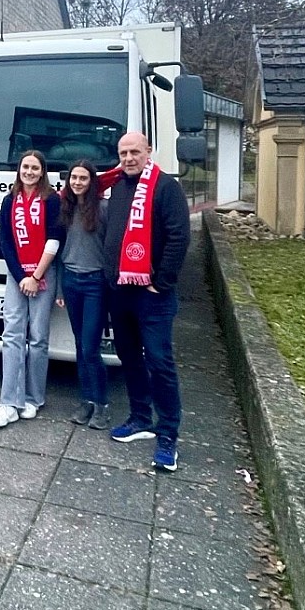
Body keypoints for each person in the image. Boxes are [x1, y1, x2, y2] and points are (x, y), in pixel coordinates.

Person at [104, 131, 191, 472]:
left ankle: (168, 434)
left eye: (134, 152)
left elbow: (179, 235)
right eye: (123, 152)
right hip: (120, 291)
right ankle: (140, 417)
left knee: (159, 362)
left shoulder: (165, 186)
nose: (128, 158)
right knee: (129, 357)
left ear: (148, 151)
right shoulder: (117, 186)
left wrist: (161, 281)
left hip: (152, 295)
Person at [0, 150, 63, 427]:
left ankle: (34, 398)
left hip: (45, 273)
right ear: (19, 170)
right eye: (25, 167)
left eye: (34, 167)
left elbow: (55, 239)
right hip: (17, 275)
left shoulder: (52, 200)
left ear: (42, 172)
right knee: (12, 335)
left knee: (39, 337)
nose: (29, 171)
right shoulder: (10, 200)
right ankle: (9, 402)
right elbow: (6, 242)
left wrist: (36, 275)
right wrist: (22, 276)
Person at [56, 160, 110, 429]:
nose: (77, 182)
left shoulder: (103, 209)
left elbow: (112, 248)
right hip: (71, 281)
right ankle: (87, 400)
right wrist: (58, 289)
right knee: (79, 345)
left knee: (90, 347)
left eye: (83, 178)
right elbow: (56, 250)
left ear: (92, 182)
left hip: (95, 283)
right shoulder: (64, 209)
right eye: (74, 178)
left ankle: (101, 404)